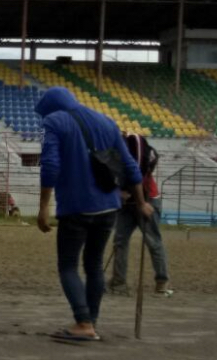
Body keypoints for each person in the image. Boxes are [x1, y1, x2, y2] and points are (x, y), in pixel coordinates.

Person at [35, 86, 149, 342]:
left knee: (68, 266)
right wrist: (141, 202)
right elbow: (130, 166)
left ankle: (83, 322)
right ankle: (91, 322)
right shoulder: (106, 121)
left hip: (76, 207)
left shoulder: (54, 122)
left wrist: (44, 206)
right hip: (109, 206)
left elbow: (51, 164)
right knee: (94, 265)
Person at [109, 133, 172, 295]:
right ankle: (118, 282)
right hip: (127, 204)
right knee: (119, 241)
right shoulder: (111, 154)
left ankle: (162, 281)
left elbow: (137, 174)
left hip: (148, 199)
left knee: (153, 240)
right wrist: (119, 193)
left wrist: (136, 198)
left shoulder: (135, 148)